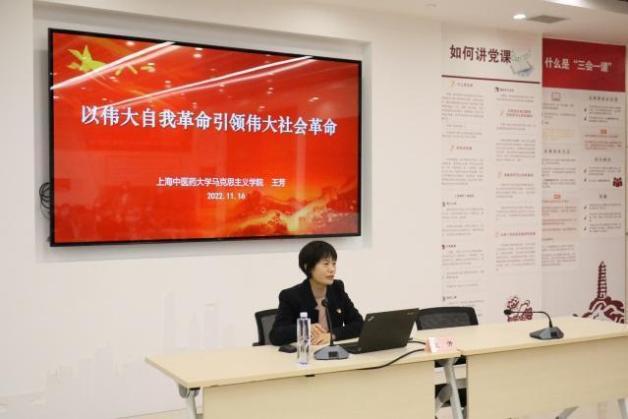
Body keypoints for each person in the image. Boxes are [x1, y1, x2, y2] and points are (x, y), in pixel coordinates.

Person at [269, 240, 364, 346]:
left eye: (334, 263)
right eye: (326, 264)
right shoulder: (291, 296)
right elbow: (276, 335)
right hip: (306, 352)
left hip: (333, 352)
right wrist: (304, 328)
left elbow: (359, 324)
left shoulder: (337, 288)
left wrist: (332, 335)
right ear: (308, 267)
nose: (332, 269)